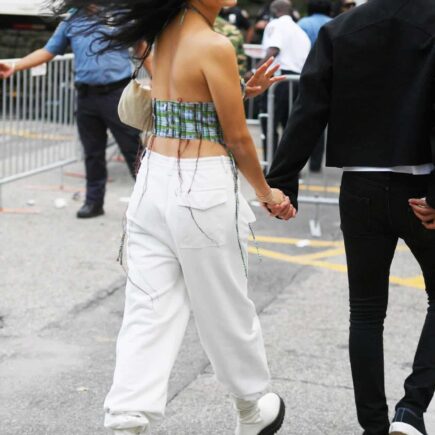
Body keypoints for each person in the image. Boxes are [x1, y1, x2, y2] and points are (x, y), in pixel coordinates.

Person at [52, 0, 295, 434]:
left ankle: (128, 413)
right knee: (224, 304)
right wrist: (267, 192)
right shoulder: (213, 43)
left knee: (148, 304)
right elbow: (238, 138)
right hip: (201, 187)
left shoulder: (157, 35)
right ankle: (252, 407)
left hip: (152, 182)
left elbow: (185, 103)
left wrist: (239, 91)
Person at [266, 0, 435, 434]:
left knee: (365, 312)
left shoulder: (342, 29)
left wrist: (283, 179)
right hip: (420, 186)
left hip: (359, 186)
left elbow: (309, 109)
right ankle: (412, 409)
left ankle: (374, 426)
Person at [0, 6, 152, 219]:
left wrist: (161, 82)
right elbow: (48, 51)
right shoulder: (72, 19)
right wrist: (14, 66)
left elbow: (141, 48)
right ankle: (94, 202)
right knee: (92, 153)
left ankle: (150, 203)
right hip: (86, 96)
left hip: (116, 93)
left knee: (132, 149)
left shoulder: (120, 14)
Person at [257, 0, 311, 160]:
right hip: (296, 81)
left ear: (275, 11)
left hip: (278, 80)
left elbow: (274, 49)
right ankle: (288, 168)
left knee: (269, 123)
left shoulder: (276, 24)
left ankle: (270, 165)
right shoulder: (300, 31)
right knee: (290, 127)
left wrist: (255, 71)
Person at [298, 0, 332, 172]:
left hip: (307, 74)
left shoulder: (303, 23)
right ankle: (316, 164)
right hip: (330, 77)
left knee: (305, 120)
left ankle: (297, 162)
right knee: (322, 123)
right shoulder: (334, 23)